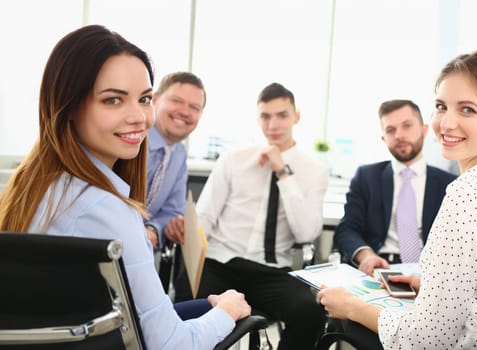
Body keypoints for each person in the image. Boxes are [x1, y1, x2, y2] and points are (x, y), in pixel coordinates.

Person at [0, 24, 250, 350]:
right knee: (233, 309)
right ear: (70, 106)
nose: (139, 117)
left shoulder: (36, 186)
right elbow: (170, 346)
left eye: (144, 99)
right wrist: (227, 313)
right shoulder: (106, 209)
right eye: (113, 100)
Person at [318, 47, 477, 349]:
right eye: (441, 106)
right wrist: (434, 288)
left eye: (467, 109)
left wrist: (353, 308)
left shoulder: (466, 196)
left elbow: (427, 339)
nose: (446, 123)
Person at [178, 82, 329, 350]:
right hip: (220, 260)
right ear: (257, 118)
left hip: (271, 271)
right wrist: (191, 259)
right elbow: (205, 217)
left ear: (296, 117)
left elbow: (306, 233)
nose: (273, 124)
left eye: (282, 115)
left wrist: (283, 171)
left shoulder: (314, 170)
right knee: (186, 294)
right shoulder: (233, 159)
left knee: (310, 310)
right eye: (265, 116)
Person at [333, 99, 457, 276]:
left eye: (407, 126)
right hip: (379, 266)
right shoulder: (367, 177)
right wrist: (366, 256)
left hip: (428, 273)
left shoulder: (450, 184)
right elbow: (347, 229)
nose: (399, 135)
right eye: (390, 130)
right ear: (384, 138)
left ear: (424, 130)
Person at [144, 72, 206, 249]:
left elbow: (173, 211)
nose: (185, 112)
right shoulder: (132, 139)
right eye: (176, 101)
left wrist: (153, 230)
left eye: (194, 107)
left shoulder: (178, 153)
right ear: (154, 100)